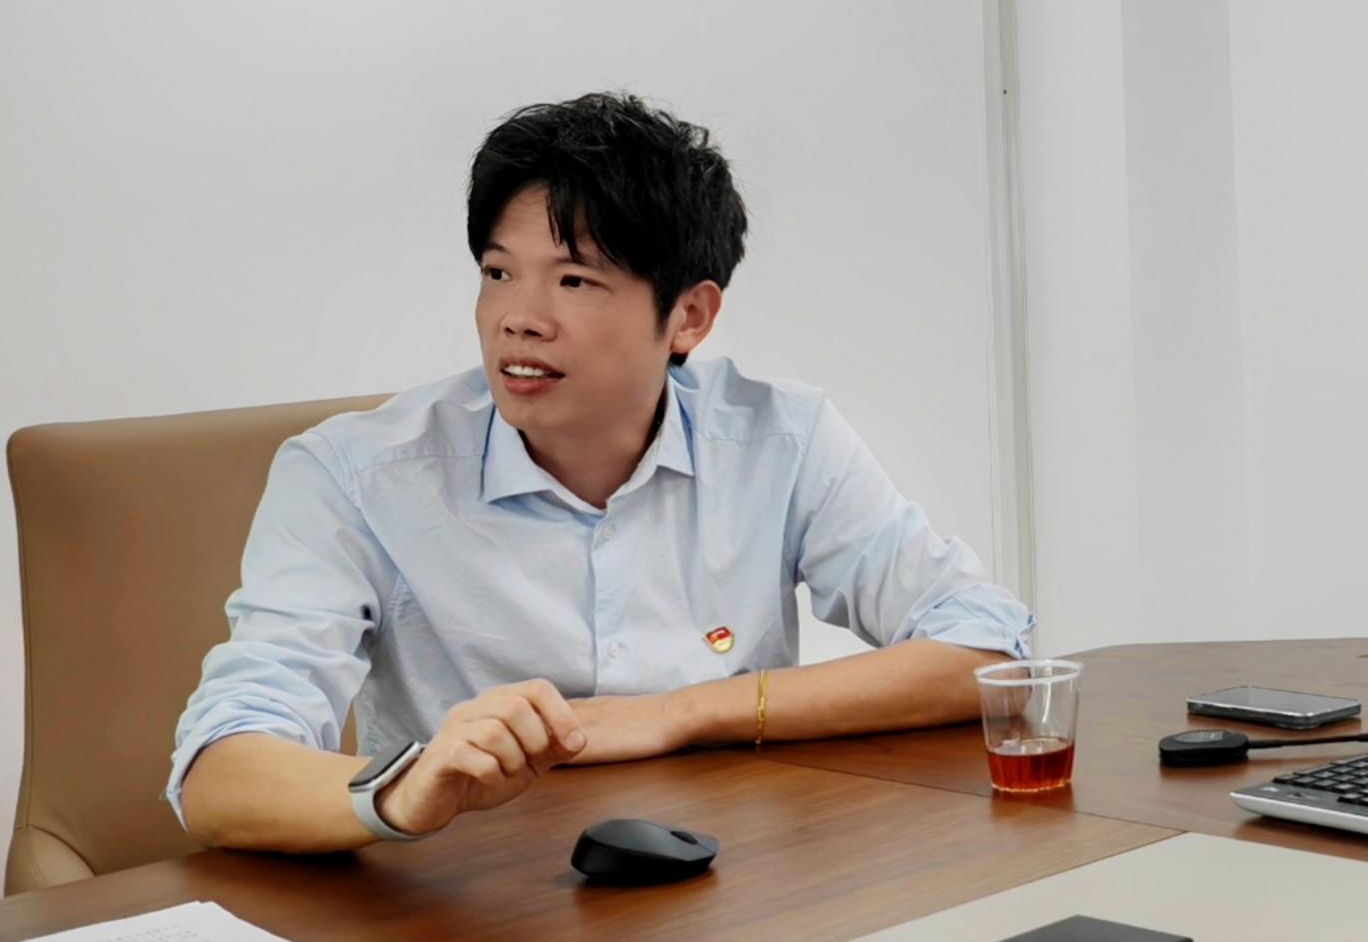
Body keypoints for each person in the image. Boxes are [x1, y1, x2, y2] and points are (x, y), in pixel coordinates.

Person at [168, 92, 1035, 852]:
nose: (518, 319)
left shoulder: (780, 439)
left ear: (688, 316)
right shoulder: (352, 475)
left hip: (732, 874)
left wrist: (675, 715)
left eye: (574, 281)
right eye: (498, 273)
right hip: (464, 892)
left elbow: (987, 649)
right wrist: (403, 789)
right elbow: (217, 772)